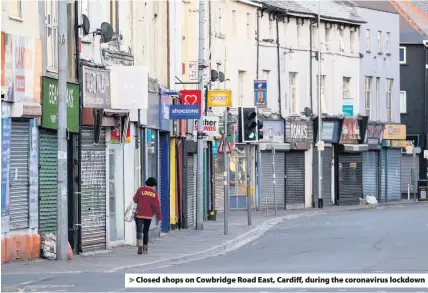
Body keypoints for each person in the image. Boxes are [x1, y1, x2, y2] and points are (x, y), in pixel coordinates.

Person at [133, 177, 162, 254]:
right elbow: (156, 206)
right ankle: (145, 248)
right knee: (146, 231)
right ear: (153, 185)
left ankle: (139, 244)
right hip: (148, 215)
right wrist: (159, 216)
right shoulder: (154, 193)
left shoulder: (140, 190)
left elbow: (135, 199)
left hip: (139, 214)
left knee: (139, 230)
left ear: (146, 183)